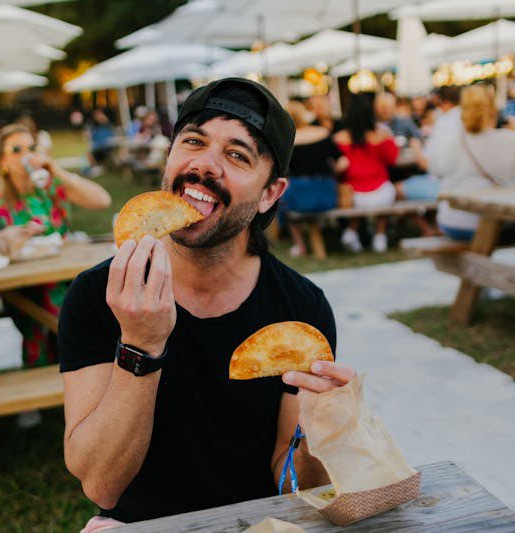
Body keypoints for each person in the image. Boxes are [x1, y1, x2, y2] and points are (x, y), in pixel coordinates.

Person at [58, 78, 355, 530]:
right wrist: (140, 344)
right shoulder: (100, 295)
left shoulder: (301, 309)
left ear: (270, 193)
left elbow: (296, 487)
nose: (204, 165)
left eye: (237, 155)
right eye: (193, 141)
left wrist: (320, 431)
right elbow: (101, 486)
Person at [0, 123, 111, 372]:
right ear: (3, 161)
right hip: (25, 282)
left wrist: (55, 168)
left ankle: (78, 363)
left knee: (84, 294)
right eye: (16, 150)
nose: (26, 155)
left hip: (65, 272)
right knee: (62, 304)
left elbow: (102, 200)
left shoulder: (50, 185)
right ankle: (71, 363)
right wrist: (3, 238)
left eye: (30, 148)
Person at [437, 85, 515, 241]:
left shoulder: (451, 142)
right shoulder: (508, 138)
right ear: (493, 111)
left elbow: (437, 171)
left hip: (451, 222)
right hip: (491, 224)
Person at [282, 100, 347, 257]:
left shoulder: (286, 141)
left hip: (301, 195)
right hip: (327, 192)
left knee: (281, 203)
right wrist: (332, 174)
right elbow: (344, 162)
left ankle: (300, 245)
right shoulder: (323, 133)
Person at [334, 94, 399, 252]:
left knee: (355, 198)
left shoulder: (339, 138)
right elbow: (392, 159)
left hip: (354, 193)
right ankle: (380, 236)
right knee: (388, 191)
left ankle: (351, 232)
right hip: (381, 191)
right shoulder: (382, 134)